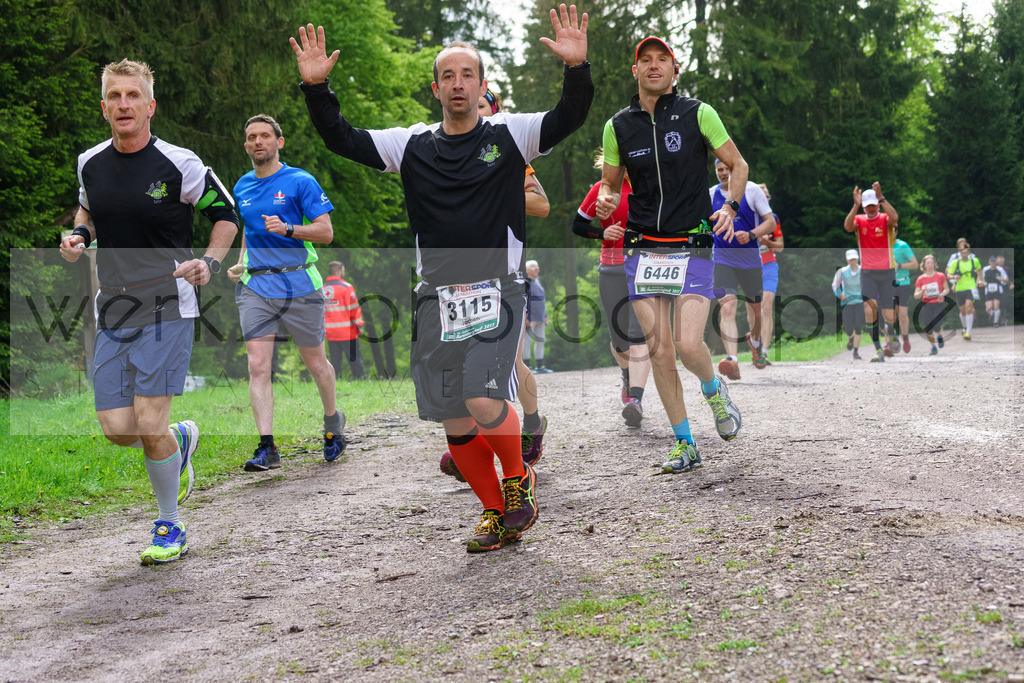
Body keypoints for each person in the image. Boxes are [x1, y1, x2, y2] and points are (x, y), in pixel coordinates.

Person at [292, 5, 592, 551]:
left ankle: (518, 477)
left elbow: (569, 115)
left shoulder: (510, 134)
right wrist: (317, 89)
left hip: (498, 290)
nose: (458, 84)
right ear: (436, 88)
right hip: (436, 299)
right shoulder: (412, 144)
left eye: (467, 75)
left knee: (482, 398)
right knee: (454, 423)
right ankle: (495, 512)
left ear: (481, 86)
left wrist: (576, 69)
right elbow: (343, 138)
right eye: (448, 76)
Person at [59, 59, 238, 564]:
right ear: (104, 108)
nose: (124, 104)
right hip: (114, 306)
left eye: (132, 95)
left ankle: (169, 524)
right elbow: (90, 209)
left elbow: (226, 216)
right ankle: (179, 441)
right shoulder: (90, 162)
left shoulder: (180, 163)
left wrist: (209, 262)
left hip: (167, 302)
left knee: (149, 420)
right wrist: (79, 235)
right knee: (119, 429)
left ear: (150, 105)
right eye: (114, 96)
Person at [594, 36, 743, 474]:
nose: (654, 65)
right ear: (635, 70)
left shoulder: (699, 113)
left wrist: (730, 207)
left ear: (674, 71)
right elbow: (609, 183)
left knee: (688, 345)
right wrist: (605, 198)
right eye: (646, 60)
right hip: (642, 248)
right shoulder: (618, 126)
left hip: (691, 243)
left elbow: (738, 164)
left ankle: (714, 390)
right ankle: (685, 443)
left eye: (663, 59)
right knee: (659, 350)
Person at [439, 88, 550, 482]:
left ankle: (530, 424)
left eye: (482, 106)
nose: (474, 112)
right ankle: (474, 443)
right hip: (456, 278)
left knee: (508, 363)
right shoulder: (443, 155)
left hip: (502, 277)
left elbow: (541, 205)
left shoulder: (509, 155)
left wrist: (493, 192)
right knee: (464, 363)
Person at [228, 114, 347, 471]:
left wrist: (290, 229)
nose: (258, 141)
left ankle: (332, 423)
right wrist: (241, 261)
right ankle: (267, 447)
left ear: (279, 142)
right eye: (252, 136)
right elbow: (249, 230)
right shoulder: (242, 186)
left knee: (316, 364)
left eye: (265, 135)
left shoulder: (300, 181)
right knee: (257, 365)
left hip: (299, 283)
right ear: (246, 145)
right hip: (256, 286)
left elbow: (326, 232)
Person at [574, 150, 652, 425]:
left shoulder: (650, 186)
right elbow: (578, 225)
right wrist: (602, 233)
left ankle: (636, 401)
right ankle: (627, 375)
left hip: (644, 268)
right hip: (611, 268)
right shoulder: (601, 190)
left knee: (639, 335)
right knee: (620, 340)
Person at [709, 160, 776, 378]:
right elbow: (704, 223)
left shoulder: (752, 190)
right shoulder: (711, 194)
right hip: (722, 258)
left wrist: (751, 234)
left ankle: (755, 342)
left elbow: (771, 222)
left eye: (727, 169)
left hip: (750, 260)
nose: (724, 173)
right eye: (719, 170)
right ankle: (733, 360)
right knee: (727, 307)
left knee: (756, 312)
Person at [843, 183, 899, 363]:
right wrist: (855, 205)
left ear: (878, 204)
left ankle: (891, 331)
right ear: (864, 207)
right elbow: (847, 226)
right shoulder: (859, 220)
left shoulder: (884, 218)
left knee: (889, 314)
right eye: (868, 206)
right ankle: (878, 349)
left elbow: (895, 217)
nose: (871, 208)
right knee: (869, 311)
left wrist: (882, 198)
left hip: (887, 272)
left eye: (874, 205)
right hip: (867, 272)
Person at [323, 261, 365, 380]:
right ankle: (360, 380)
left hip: (330, 332)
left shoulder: (322, 289)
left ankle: (335, 383)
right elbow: (354, 309)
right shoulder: (346, 287)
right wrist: (359, 326)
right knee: (355, 359)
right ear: (339, 271)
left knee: (335, 362)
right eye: (343, 271)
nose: (344, 273)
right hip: (347, 331)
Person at [757, 183, 783, 363]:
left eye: (768, 197)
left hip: (769, 266)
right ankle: (755, 345)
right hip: (749, 267)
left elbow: (780, 247)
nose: (766, 200)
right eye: (763, 197)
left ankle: (764, 352)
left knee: (766, 307)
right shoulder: (746, 217)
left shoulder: (773, 219)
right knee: (754, 309)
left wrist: (767, 242)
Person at [914, 254, 950, 355]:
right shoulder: (921, 279)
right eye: (927, 263)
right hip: (926, 305)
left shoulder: (940, 275)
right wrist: (922, 291)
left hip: (938, 303)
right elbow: (916, 295)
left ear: (934, 264)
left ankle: (939, 335)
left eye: (931, 262)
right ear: (924, 265)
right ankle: (933, 347)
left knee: (937, 325)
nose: (929, 265)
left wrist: (942, 294)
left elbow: (947, 289)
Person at [832, 250, 865, 360]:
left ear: (858, 259)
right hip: (847, 302)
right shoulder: (842, 271)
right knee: (848, 327)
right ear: (847, 260)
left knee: (858, 326)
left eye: (854, 259)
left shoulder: (863, 270)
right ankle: (851, 338)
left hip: (860, 301)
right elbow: (835, 285)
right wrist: (839, 294)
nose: (853, 261)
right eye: (851, 259)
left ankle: (856, 351)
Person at [946, 242, 982, 340]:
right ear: (960, 253)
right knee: (962, 311)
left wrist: (979, 281)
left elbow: (979, 271)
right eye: (962, 253)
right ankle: (965, 327)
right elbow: (948, 274)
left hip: (971, 287)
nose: (964, 255)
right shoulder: (955, 262)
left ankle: (968, 332)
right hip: (960, 288)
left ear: (969, 252)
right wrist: (954, 277)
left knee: (968, 308)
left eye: (966, 253)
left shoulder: (974, 261)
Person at [891, 225, 918, 353]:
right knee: (890, 315)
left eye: (892, 231)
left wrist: (899, 265)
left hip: (903, 283)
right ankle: (891, 340)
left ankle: (905, 338)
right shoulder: (881, 246)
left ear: (896, 232)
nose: (889, 233)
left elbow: (915, 264)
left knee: (902, 314)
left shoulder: (902, 245)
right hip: (887, 285)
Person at [523, 260, 552, 373]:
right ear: (527, 270)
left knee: (541, 341)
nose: (537, 269)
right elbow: (524, 300)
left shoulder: (538, 281)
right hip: (530, 318)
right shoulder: (525, 283)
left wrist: (545, 315)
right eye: (534, 268)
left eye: (537, 267)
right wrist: (526, 317)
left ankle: (540, 366)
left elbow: (542, 299)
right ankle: (527, 367)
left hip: (540, 317)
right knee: (527, 342)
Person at [981, 255, 1008, 327]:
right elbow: (982, 279)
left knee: (996, 305)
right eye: (991, 261)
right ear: (989, 262)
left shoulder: (1000, 269)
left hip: (998, 289)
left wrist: (1001, 279)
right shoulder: (985, 269)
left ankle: (995, 322)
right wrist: (984, 283)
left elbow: (1006, 279)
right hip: (988, 289)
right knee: (988, 307)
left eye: (994, 261)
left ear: (996, 262)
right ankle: (991, 313)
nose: (992, 263)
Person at [996, 254, 1014, 326]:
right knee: (996, 303)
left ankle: (1003, 319)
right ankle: (995, 319)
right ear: (996, 262)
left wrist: (1012, 284)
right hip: (996, 288)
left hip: (1005, 288)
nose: (1001, 262)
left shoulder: (1007, 269)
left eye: (1002, 261)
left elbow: (1011, 277)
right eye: (999, 261)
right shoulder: (994, 269)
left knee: (1003, 303)